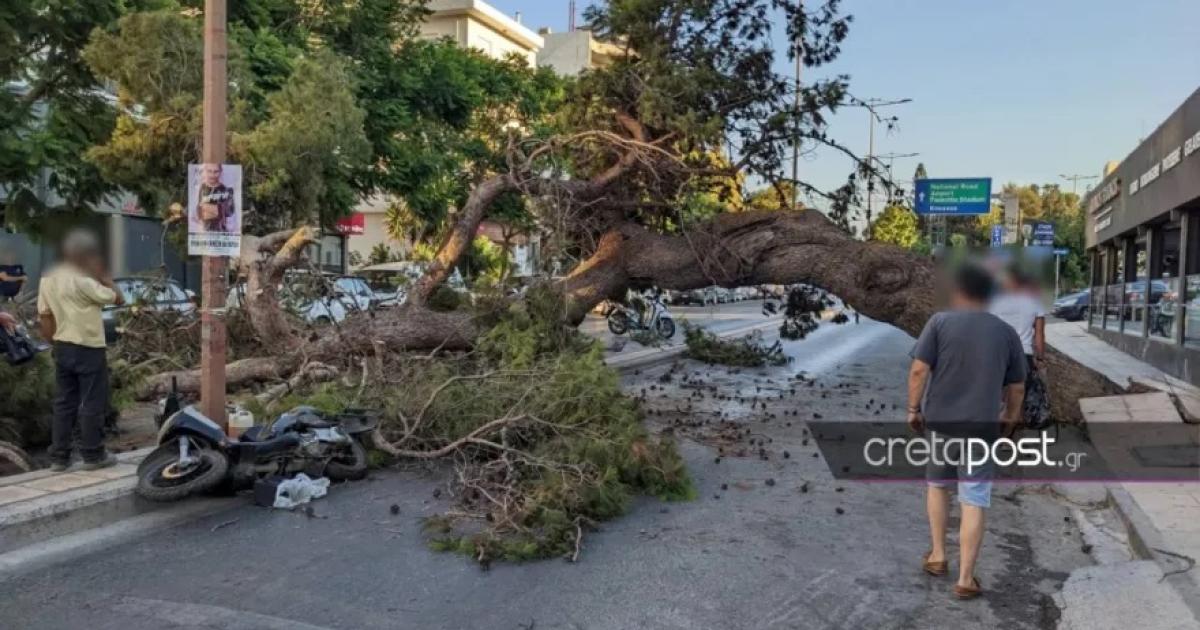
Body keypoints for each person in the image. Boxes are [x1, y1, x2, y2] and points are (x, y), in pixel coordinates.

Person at [906, 264, 1026, 600]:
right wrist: (1009, 420)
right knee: (974, 498)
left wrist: (913, 409)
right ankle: (965, 579)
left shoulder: (939, 322)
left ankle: (938, 556)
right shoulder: (1007, 333)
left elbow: (918, 371)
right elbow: (1017, 387)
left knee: (938, 487)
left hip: (941, 424)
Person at [37, 229, 125, 471]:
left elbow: (44, 315)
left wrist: (54, 342)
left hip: (63, 346)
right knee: (91, 401)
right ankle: (93, 455)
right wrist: (105, 277)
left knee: (64, 402)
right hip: (88, 348)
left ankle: (59, 457)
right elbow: (118, 298)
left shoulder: (48, 278)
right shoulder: (83, 280)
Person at [989, 266, 1048, 429]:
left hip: (999, 354)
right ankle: (1010, 437)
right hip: (1024, 355)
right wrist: (1040, 358)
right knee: (1017, 401)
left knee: (998, 397)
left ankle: (996, 430)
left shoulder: (995, 301)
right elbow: (1039, 334)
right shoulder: (1035, 301)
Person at [196, 163, 235, 233]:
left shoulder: (225, 190)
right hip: (205, 232)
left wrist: (208, 208)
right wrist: (217, 210)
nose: (212, 175)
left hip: (221, 232)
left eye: (216, 171)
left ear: (220, 172)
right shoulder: (202, 188)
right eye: (209, 171)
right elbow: (200, 213)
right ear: (205, 171)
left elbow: (229, 212)